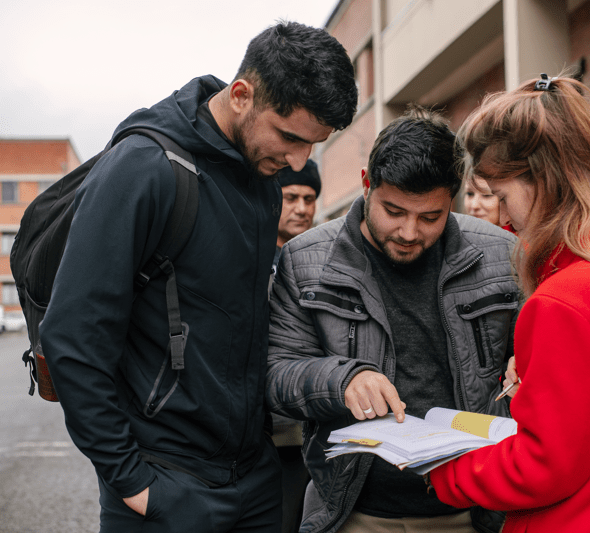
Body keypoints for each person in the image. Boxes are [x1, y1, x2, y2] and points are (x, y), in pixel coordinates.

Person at [39, 22, 358, 532]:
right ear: (241, 95)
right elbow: (72, 337)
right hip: (166, 481)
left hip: (254, 476)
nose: (298, 161)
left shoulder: (264, 181)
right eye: (290, 137)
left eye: (313, 146)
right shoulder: (144, 168)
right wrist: (132, 484)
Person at [428, 73, 590, 532]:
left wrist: (446, 472)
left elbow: (546, 465)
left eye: (502, 196)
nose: (503, 220)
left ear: (548, 178)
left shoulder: (564, 301)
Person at [265, 107, 521, 533]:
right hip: (357, 512)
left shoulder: (502, 254)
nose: (408, 232)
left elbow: (532, 354)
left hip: (474, 511)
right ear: (367, 184)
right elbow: (276, 376)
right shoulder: (307, 259)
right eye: (394, 210)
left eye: (429, 217)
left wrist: (529, 364)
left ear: (453, 197)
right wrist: (341, 380)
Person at [271, 159, 322, 533]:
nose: (302, 208)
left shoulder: (324, 258)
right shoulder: (250, 256)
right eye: (291, 197)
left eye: (310, 197)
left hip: (310, 430)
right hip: (258, 430)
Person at [272, 159, 322, 271]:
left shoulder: (328, 260)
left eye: (309, 200)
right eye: (290, 198)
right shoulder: (254, 259)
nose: (301, 209)